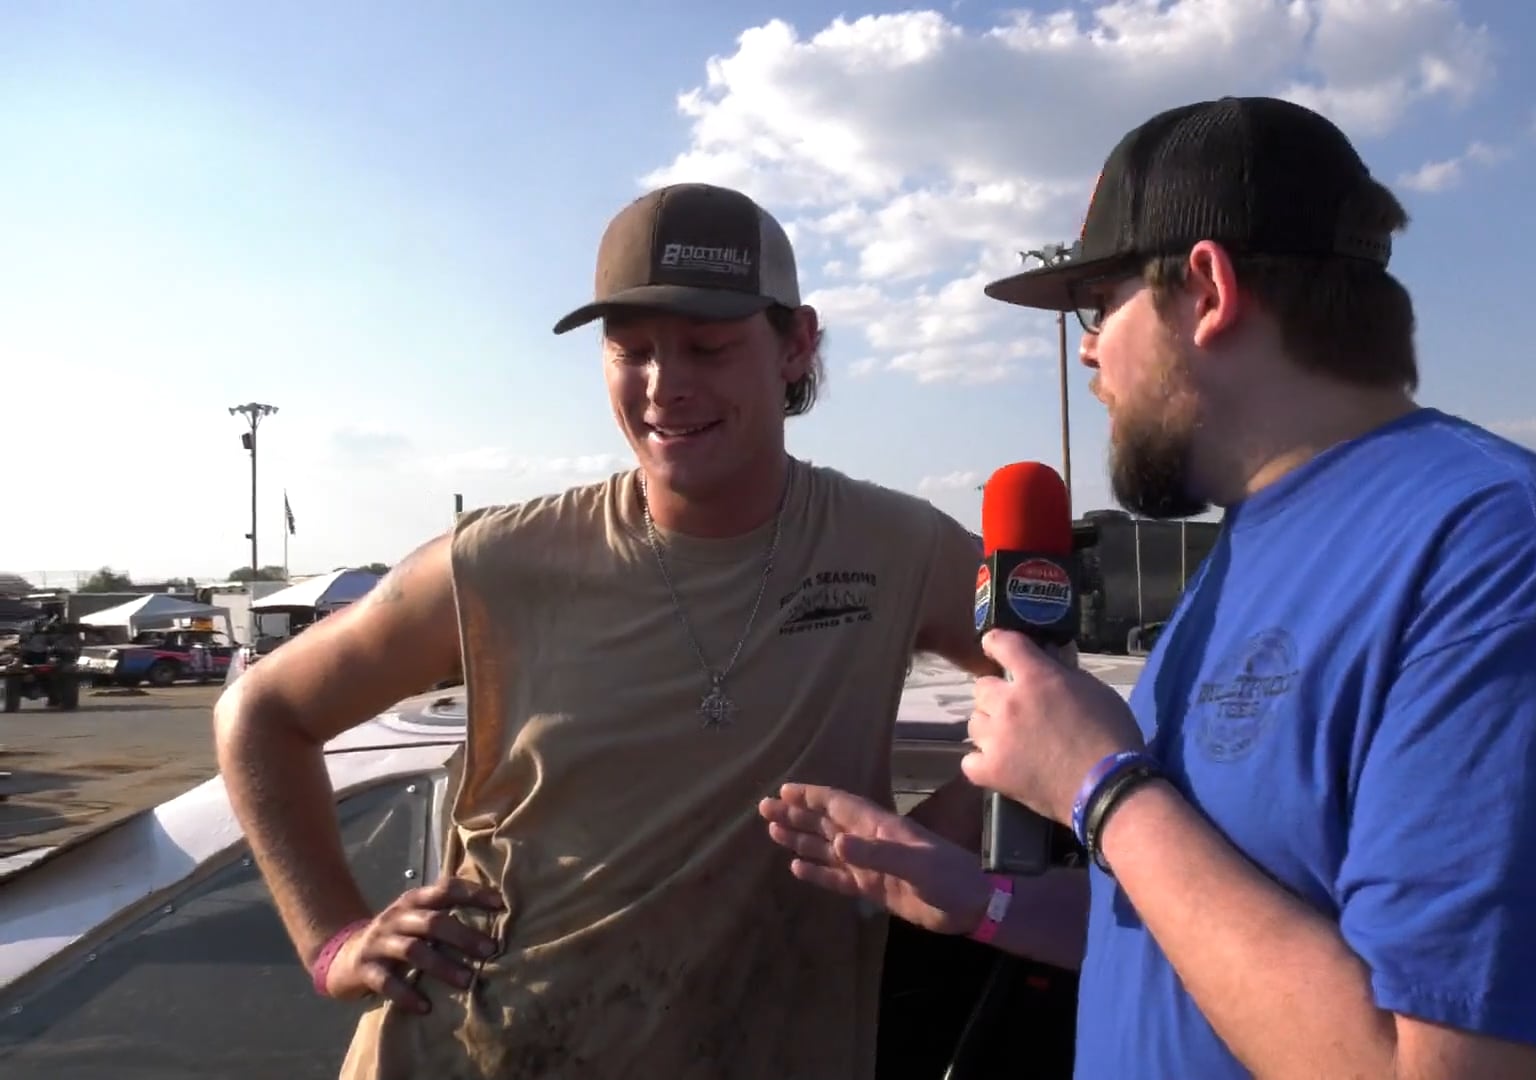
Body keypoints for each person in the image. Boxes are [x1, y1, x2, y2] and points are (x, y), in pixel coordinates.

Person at [761, 97, 1536, 1079]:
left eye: (1101, 309)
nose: (1088, 352)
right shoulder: (1255, 545)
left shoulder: (1499, 558)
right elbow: (1195, 943)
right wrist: (974, 897)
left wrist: (1101, 789)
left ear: (1208, 291)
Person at [213, 181, 991, 1080]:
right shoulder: (500, 561)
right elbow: (260, 715)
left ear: (796, 343)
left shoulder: (895, 547)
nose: (666, 388)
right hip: (466, 1053)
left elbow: (1041, 680)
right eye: (631, 351)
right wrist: (335, 941)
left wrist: (932, 845)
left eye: (707, 346)